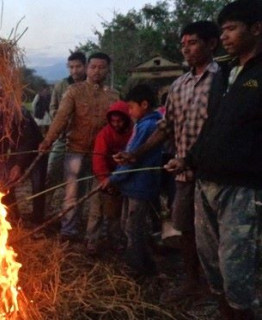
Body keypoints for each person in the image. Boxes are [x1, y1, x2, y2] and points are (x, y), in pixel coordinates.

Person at [166, 1, 262, 318]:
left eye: (231, 28)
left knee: (237, 270)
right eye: (222, 30)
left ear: (256, 29)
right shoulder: (227, 75)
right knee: (213, 268)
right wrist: (188, 159)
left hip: (242, 188)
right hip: (204, 181)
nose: (225, 36)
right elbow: (212, 125)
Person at [115, 21, 221, 302]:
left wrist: (191, 158)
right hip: (184, 176)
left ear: (212, 44)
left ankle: (222, 288)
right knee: (186, 229)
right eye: (183, 44)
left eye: (193, 42)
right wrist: (134, 154)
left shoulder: (225, 79)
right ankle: (193, 282)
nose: (186, 48)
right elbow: (166, 128)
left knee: (218, 232)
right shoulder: (179, 85)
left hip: (218, 174)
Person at [39, 52, 119, 242]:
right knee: (72, 193)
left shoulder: (114, 96)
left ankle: (93, 237)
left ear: (107, 70)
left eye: (101, 67)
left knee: (97, 197)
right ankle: (69, 231)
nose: (97, 71)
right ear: (87, 68)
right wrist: (48, 140)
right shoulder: (74, 91)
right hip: (75, 150)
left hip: (100, 154)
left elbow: (118, 126)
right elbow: (60, 118)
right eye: (93, 67)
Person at [103, 84, 162, 277]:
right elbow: (130, 155)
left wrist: (113, 178)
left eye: (131, 107)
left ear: (144, 105)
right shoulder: (144, 124)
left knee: (133, 228)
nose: (129, 111)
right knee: (130, 225)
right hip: (133, 185)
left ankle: (136, 269)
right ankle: (144, 264)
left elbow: (132, 160)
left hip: (140, 185)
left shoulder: (148, 126)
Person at [85, 100, 132, 255]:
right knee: (96, 211)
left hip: (120, 178)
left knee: (114, 214)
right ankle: (92, 241)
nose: (116, 124)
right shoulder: (104, 134)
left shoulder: (133, 133)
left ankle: (115, 241)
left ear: (126, 119)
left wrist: (115, 180)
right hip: (101, 177)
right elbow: (98, 158)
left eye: (119, 121)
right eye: (113, 121)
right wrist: (104, 178)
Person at [0, 106, 48, 225]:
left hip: (35, 151)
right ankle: (13, 216)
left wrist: (18, 165)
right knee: (6, 182)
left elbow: (28, 142)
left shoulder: (19, 115)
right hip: (16, 153)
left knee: (38, 186)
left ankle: (37, 220)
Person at [45, 51, 87, 212]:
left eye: (78, 67)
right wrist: (62, 121)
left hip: (81, 140)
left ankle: (73, 213)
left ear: (84, 66)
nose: (75, 71)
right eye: (71, 67)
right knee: (51, 172)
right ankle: (45, 209)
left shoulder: (89, 86)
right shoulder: (61, 85)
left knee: (77, 180)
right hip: (62, 138)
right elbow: (53, 107)